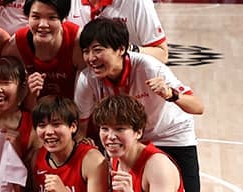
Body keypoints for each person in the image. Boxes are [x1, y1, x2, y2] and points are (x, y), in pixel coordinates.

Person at [75, 18, 203, 192]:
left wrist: (170, 94)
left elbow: (198, 107)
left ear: (121, 49)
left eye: (98, 50)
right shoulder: (87, 78)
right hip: (129, 138)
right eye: (86, 51)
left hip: (170, 136)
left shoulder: (150, 68)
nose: (91, 58)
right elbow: (80, 129)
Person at [2, 0, 84, 108]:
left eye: (52, 18)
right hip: (32, 112)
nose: (43, 25)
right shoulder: (15, 46)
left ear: (64, 18)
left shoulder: (78, 42)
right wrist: (28, 93)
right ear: (27, 17)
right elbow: (9, 100)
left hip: (73, 112)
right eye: (36, 17)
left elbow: (89, 94)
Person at [92, 95, 185, 192]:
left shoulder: (159, 166)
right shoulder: (115, 158)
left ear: (138, 132)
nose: (111, 136)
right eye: (104, 129)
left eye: (120, 129)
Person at [31, 95, 108, 192]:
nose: (49, 132)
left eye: (56, 124)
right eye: (42, 125)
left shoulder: (92, 160)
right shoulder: (37, 157)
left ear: (73, 126)